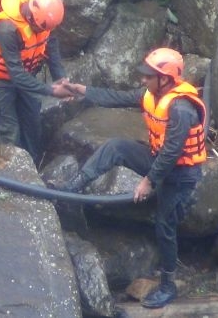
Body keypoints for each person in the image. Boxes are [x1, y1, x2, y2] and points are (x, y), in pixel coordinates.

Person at [53, 47, 207, 309]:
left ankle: (168, 285)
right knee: (116, 147)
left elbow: (172, 152)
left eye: (149, 76)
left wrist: (148, 182)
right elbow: (118, 97)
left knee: (164, 225)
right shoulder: (152, 93)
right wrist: (82, 90)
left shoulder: (181, 108)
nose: (143, 79)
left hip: (180, 175)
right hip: (159, 161)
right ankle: (72, 189)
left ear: (166, 78)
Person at [0, 0, 76, 165]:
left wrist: (62, 80)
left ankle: (33, 166)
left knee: (33, 123)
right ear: (31, 17)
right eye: (40, 28)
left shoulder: (45, 22)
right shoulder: (7, 29)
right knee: (10, 132)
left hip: (27, 77)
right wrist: (52, 91)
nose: (43, 31)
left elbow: (52, 52)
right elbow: (16, 74)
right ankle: (11, 171)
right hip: (0, 82)